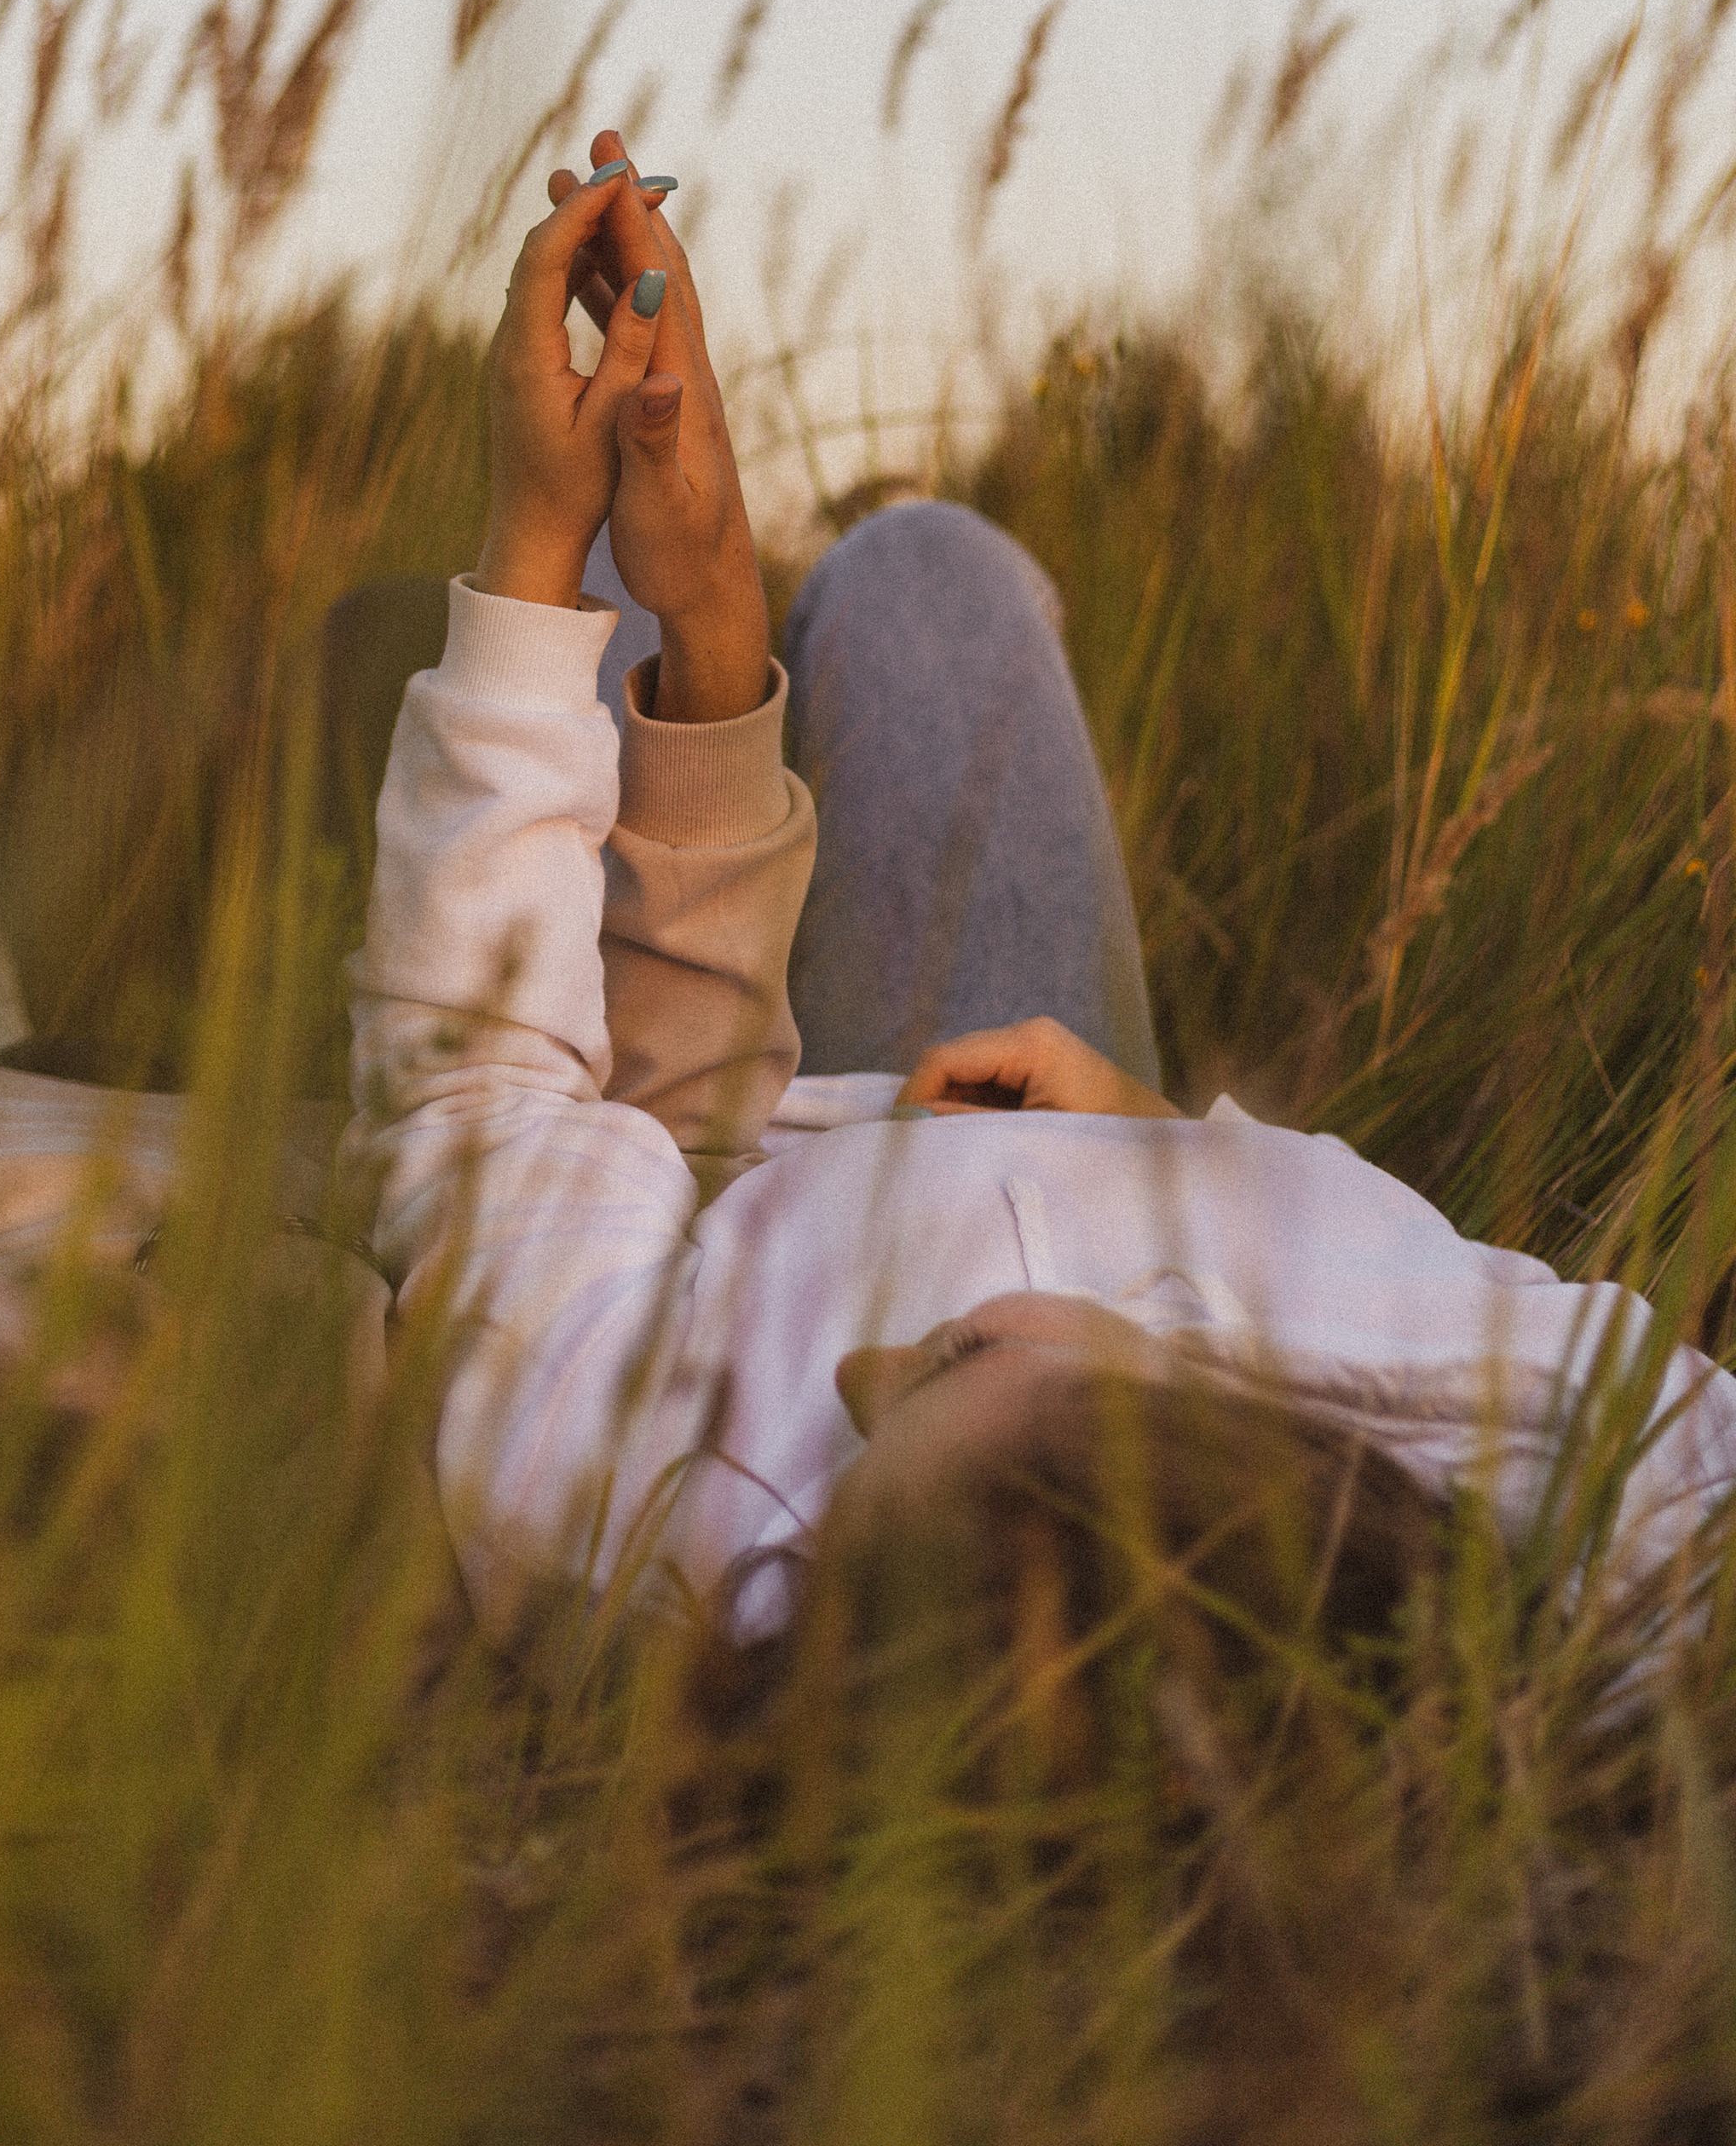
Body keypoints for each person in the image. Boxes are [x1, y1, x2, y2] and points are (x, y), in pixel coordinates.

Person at [343, 135, 1736, 1674]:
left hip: (680, 1173)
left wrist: (597, 568)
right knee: (934, 572)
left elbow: (485, 1108)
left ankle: (645, 627)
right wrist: (1160, 1148)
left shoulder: (666, 1543)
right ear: (1244, 1434)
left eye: (871, 1447)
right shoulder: (1548, 1469)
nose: (868, 1377)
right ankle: (749, 611)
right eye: (953, 1360)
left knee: (479, 633)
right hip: (1022, 1092)